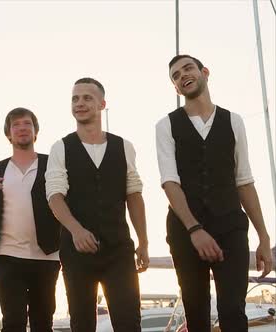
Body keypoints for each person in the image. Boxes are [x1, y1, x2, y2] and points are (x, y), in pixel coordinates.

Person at [156, 54, 273, 332]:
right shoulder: (166, 125)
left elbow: (244, 180)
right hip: (185, 231)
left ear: (204, 72)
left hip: (230, 226)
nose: (182, 75)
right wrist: (195, 229)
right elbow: (169, 182)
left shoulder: (234, 121)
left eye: (188, 68)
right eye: (175, 75)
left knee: (233, 311)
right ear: (175, 88)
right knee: (196, 313)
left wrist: (264, 237)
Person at [46, 77, 149, 332]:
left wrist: (143, 241)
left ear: (102, 104)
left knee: (129, 323)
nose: (79, 103)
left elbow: (134, 194)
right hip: (76, 252)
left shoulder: (123, 146)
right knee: (82, 324)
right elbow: (54, 196)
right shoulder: (61, 147)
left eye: (87, 98)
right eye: (75, 99)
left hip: (119, 250)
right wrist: (76, 230)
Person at [0, 108, 61, 332]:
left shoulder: (52, 165)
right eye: (16, 125)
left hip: (47, 255)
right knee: (13, 321)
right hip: (7, 256)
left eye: (27, 124)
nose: (22, 128)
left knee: (43, 321)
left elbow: (64, 206)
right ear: (8, 133)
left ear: (36, 131)